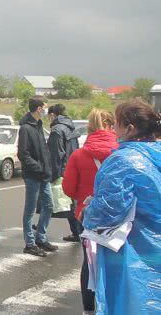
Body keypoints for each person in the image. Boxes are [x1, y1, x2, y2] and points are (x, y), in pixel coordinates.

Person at [82, 100, 160, 315]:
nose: (114, 128)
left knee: (133, 304)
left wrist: (88, 210)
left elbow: (107, 213)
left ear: (130, 128)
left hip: (133, 254)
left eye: (116, 123)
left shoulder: (123, 161)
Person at [62, 109, 118, 314]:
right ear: (112, 126)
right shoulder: (121, 152)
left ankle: (88, 309)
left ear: (89, 128)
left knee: (90, 262)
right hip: (117, 217)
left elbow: (68, 188)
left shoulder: (78, 155)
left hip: (86, 215)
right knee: (116, 259)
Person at [18, 96, 56, 257]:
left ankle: (41, 237)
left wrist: (48, 169)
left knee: (49, 206)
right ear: (39, 108)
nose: (47, 110)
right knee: (30, 209)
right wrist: (39, 168)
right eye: (45, 107)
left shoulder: (39, 125)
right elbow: (23, 154)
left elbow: (43, 150)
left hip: (44, 175)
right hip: (33, 176)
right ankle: (30, 243)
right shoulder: (26, 128)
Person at [47, 104, 81, 242]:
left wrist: (53, 175)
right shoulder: (71, 127)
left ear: (52, 115)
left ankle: (42, 229)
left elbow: (56, 154)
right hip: (73, 167)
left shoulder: (57, 130)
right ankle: (77, 231)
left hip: (62, 170)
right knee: (72, 203)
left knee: (58, 202)